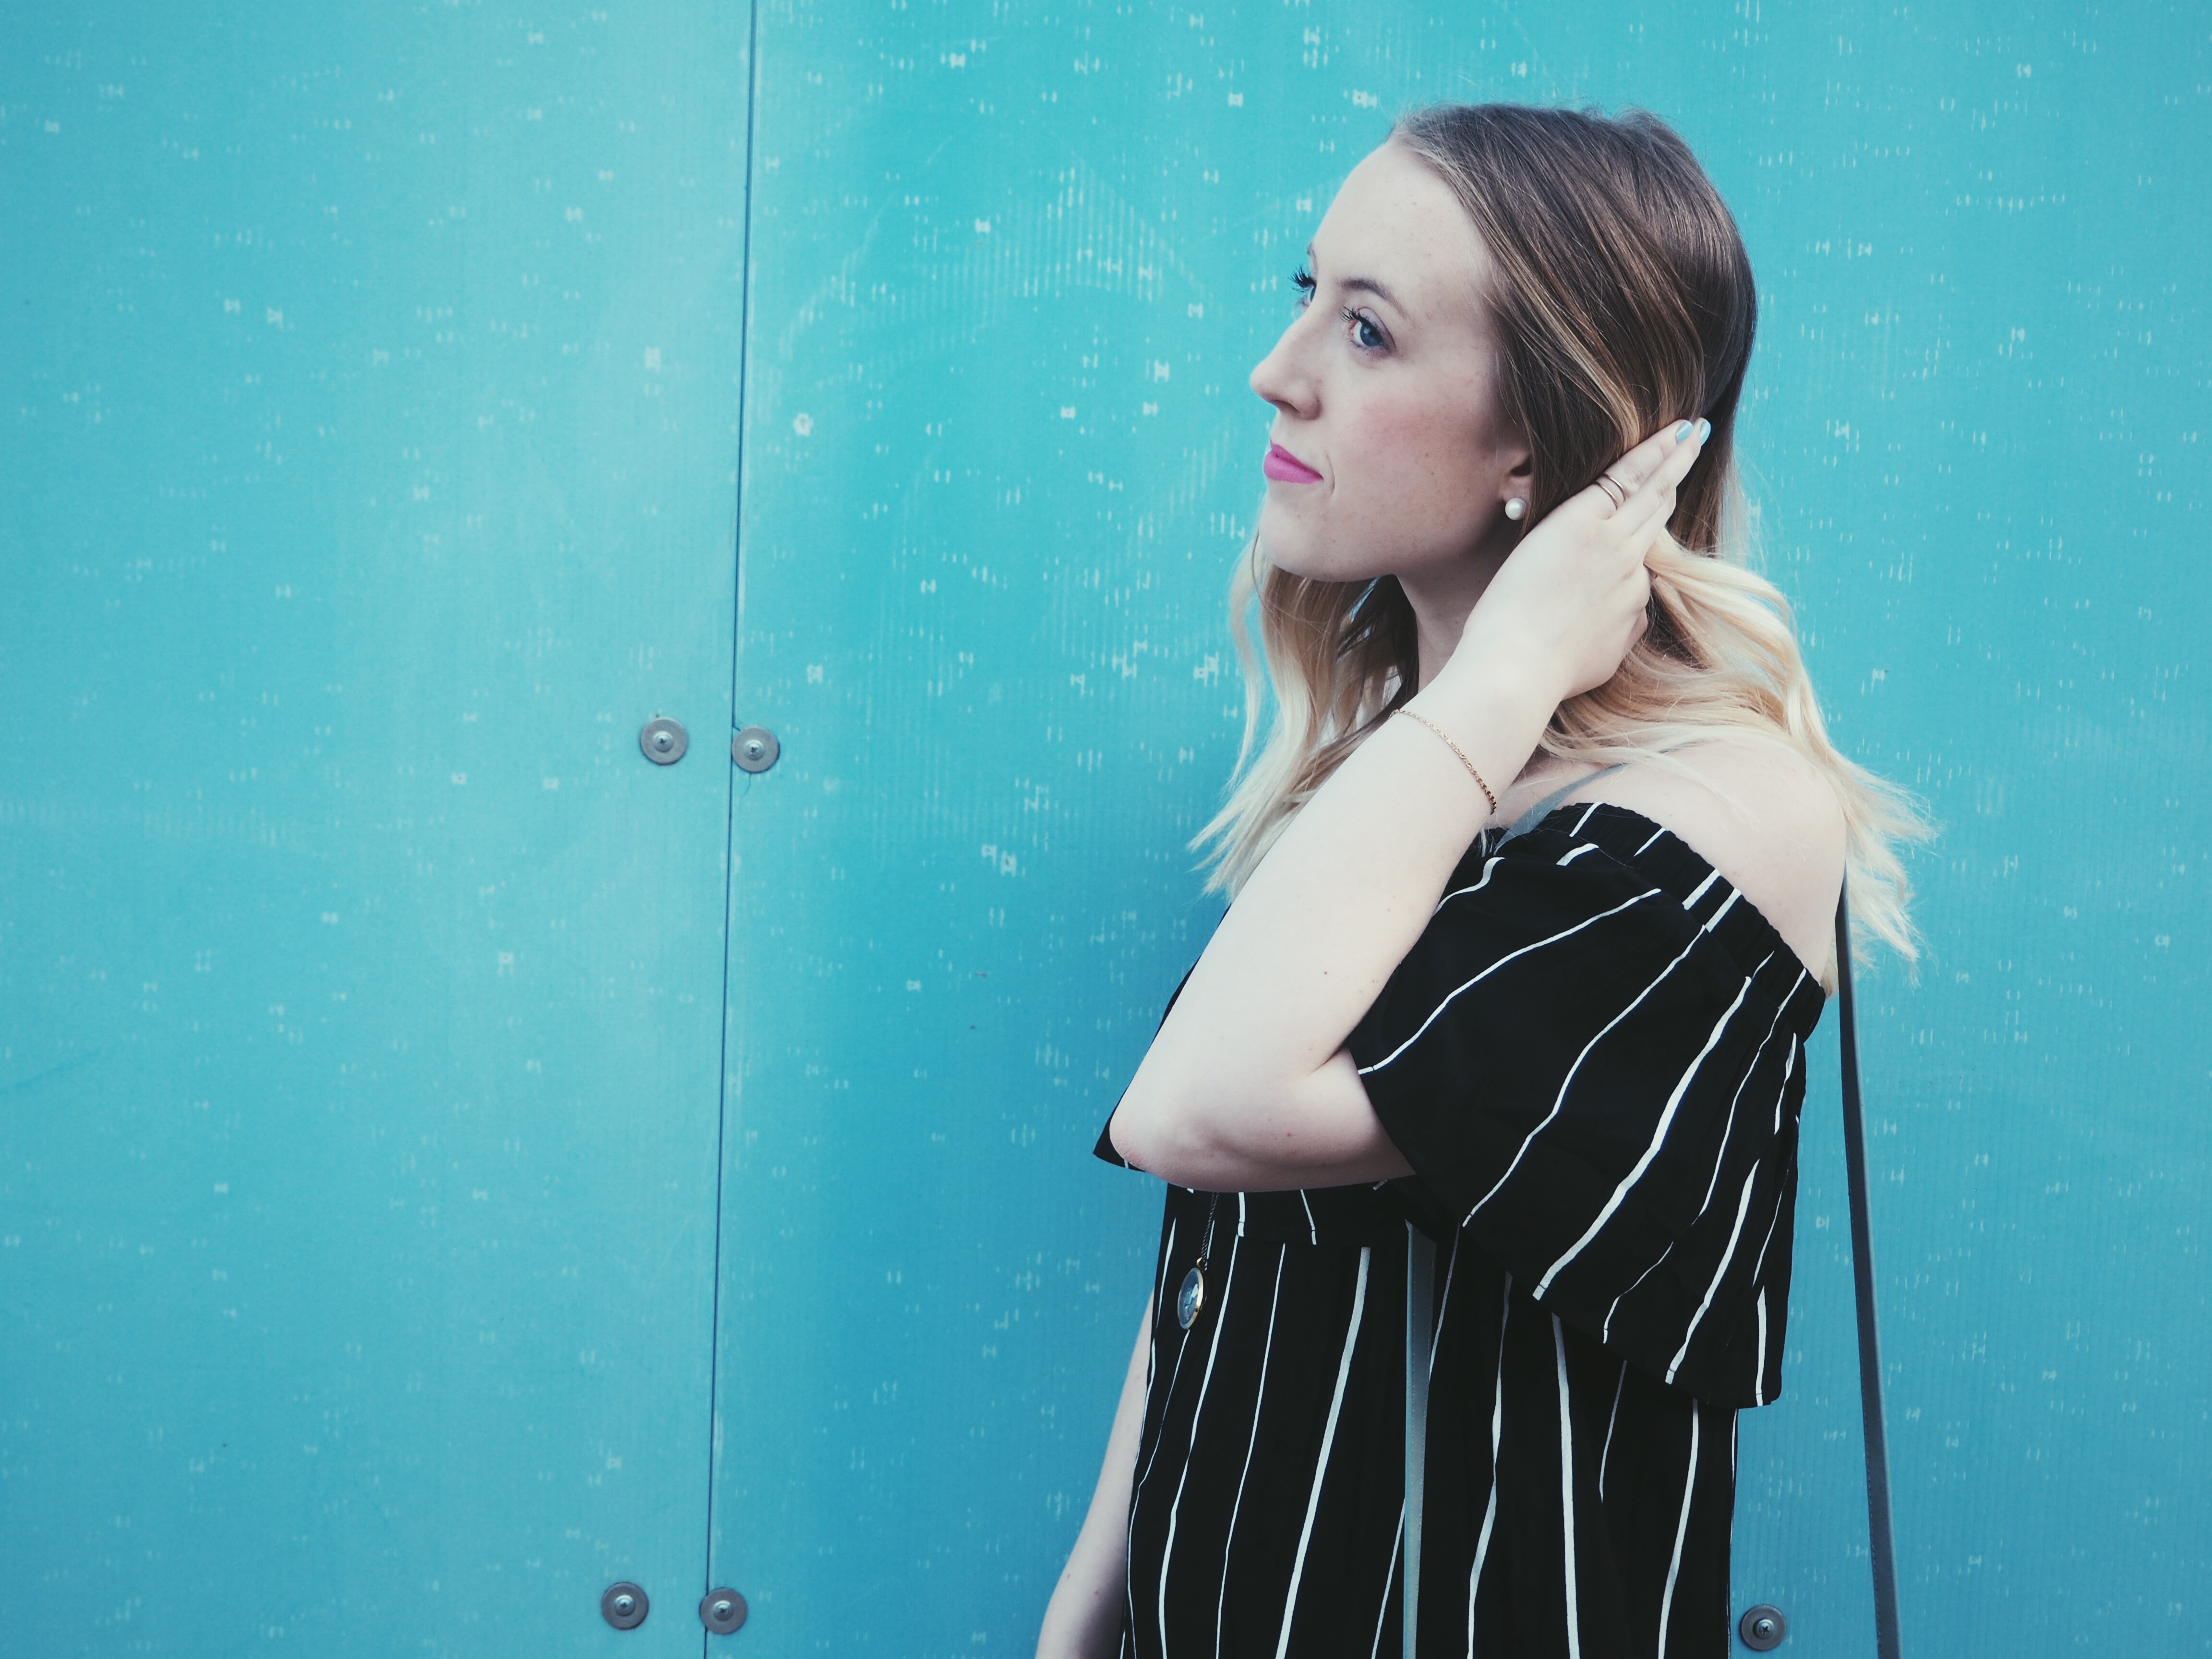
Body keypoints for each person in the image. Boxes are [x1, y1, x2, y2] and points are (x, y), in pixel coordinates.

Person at [1034, 103, 1921, 1659]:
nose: (1282, 367)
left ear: (1549, 436)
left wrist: (1499, 679)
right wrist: (1080, 1626)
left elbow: (1202, 1111)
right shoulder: (1399, 781)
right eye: (1303, 291)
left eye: (1368, 330)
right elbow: (1216, 1247)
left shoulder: (1725, 819)